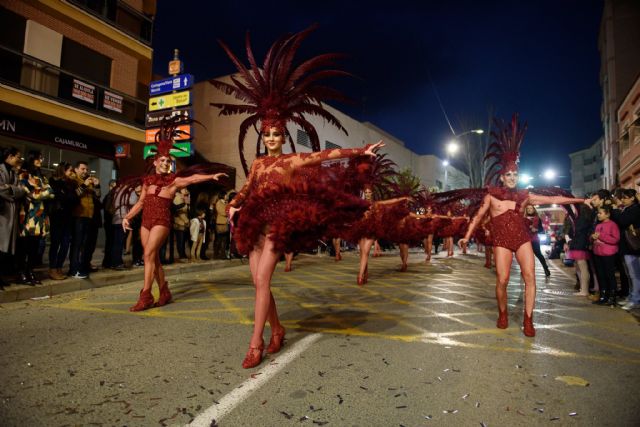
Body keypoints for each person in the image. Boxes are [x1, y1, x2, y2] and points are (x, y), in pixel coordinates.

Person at [459, 114, 586, 337]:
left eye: (515, 174)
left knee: (530, 278)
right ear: (501, 177)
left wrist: (580, 200)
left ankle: (528, 320)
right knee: (502, 279)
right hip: (501, 242)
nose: (512, 177)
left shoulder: (525, 195)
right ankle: (503, 313)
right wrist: (467, 236)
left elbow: (553, 198)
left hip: (522, 239)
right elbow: (478, 216)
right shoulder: (492, 197)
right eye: (508, 174)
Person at [122, 119, 227, 311]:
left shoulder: (173, 182)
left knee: (148, 254)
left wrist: (210, 176)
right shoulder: (148, 182)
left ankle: (146, 295)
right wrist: (127, 217)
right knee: (153, 259)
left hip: (162, 221)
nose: (165, 163)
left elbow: (193, 178)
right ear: (155, 162)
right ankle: (164, 291)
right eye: (162, 160)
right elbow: (140, 202)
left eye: (168, 161)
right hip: (146, 221)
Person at [16, 150, 54, 285]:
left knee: (34, 247)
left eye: (41, 158)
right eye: (38, 158)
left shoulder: (41, 176)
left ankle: (30, 271)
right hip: (27, 215)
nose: (40, 161)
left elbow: (51, 192)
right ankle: (21, 273)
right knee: (24, 246)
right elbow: (32, 194)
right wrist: (42, 191)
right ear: (31, 159)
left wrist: (40, 191)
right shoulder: (23, 174)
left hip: (40, 216)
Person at [0, 147, 27, 288]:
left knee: (5, 249)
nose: (19, 159)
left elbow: (21, 190)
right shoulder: (1, 169)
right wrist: (15, 190)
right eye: (18, 156)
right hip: (2, 214)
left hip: (10, 214)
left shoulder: (13, 172)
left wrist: (11, 189)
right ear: (10, 156)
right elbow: (1, 189)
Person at [68, 161, 100, 279]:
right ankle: (73, 269)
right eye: (82, 169)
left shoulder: (89, 181)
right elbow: (75, 195)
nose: (85, 171)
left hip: (89, 216)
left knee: (84, 245)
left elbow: (98, 195)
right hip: (78, 216)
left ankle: (82, 268)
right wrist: (84, 185)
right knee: (76, 244)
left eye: (86, 169)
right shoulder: (73, 181)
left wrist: (97, 185)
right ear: (76, 169)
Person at [611, 188, 640, 310]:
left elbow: (623, 221)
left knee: (634, 274)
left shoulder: (636, 209)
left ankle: (636, 299)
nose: (622, 200)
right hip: (626, 246)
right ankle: (631, 296)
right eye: (622, 198)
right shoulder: (627, 209)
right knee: (630, 274)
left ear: (632, 198)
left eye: (625, 198)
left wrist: (616, 209)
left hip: (632, 247)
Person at [48, 162, 77, 280]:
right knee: (55, 244)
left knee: (65, 244)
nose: (72, 173)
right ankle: (52, 268)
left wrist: (68, 196)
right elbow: (61, 198)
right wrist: (67, 196)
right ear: (63, 171)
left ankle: (59, 267)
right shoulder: (53, 181)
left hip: (68, 217)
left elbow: (75, 200)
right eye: (70, 170)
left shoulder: (71, 184)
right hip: (57, 217)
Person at [590, 205, 620, 306]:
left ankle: (612, 297)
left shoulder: (613, 225)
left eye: (600, 213)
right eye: (598, 213)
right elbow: (595, 237)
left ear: (607, 214)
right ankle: (603, 296)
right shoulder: (598, 225)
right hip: (597, 253)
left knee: (609, 275)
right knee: (601, 275)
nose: (598, 215)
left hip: (608, 253)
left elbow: (615, 239)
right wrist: (592, 237)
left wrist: (601, 236)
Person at [566, 203, 593, 296]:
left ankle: (585, 290)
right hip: (577, 243)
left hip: (580, 244)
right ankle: (583, 288)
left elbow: (574, 231)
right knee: (579, 267)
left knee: (583, 268)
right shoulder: (580, 219)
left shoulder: (582, 219)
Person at [524, 205, 551, 277]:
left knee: (539, 254)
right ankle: (524, 271)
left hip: (534, 240)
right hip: (525, 240)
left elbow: (541, 229)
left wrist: (536, 229)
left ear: (534, 209)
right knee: (526, 257)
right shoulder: (523, 218)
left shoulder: (537, 218)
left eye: (531, 208)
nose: (529, 210)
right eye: (528, 208)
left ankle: (546, 268)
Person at [173, 187, 190, 261]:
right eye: (184, 189)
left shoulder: (184, 198)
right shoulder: (178, 198)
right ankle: (181, 255)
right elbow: (179, 212)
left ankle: (183, 254)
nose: (186, 190)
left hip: (184, 221)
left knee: (183, 239)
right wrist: (186, 221)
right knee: (180, 239)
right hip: (180, 222)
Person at [214, 191, 230, 259]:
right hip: (220, 223)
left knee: (225, 240)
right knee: (219, 240)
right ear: (223, 195)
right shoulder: (219, 203)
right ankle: (216, 254)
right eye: (226, 195)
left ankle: (223, 254)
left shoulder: (226, 203)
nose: (227, 196)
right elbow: (222, 212)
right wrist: (228, 212)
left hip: (226, 223)